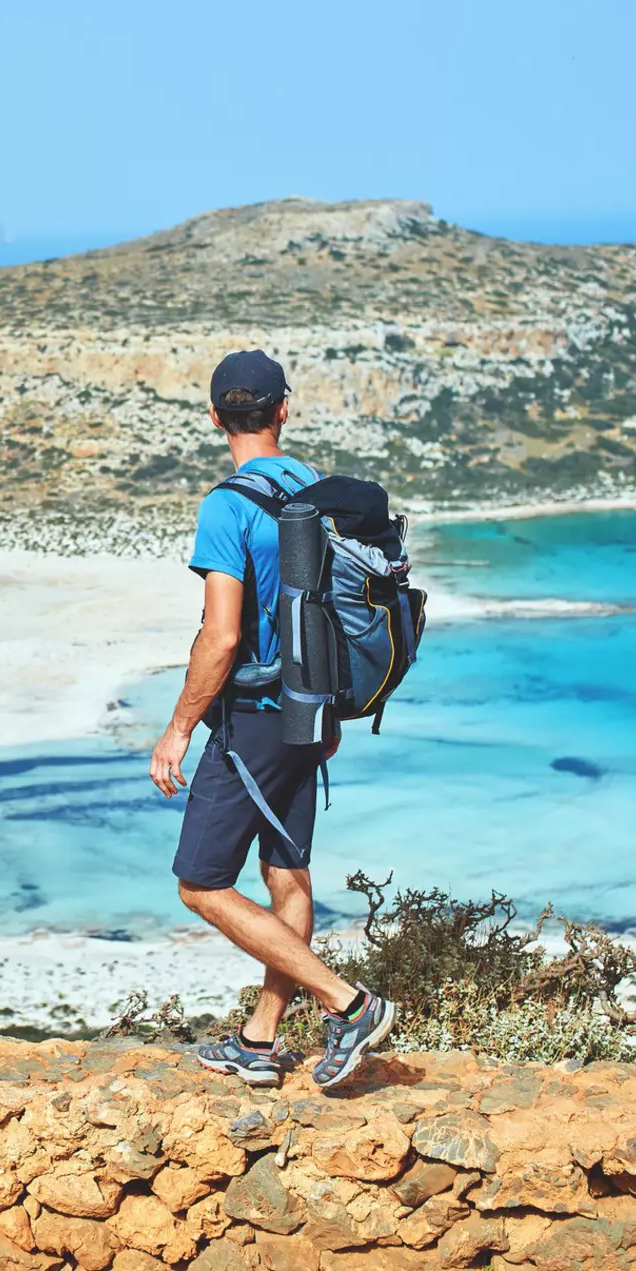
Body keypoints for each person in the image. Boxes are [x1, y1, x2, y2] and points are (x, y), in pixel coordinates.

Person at [148, 349, 394, 1089]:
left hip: (254, 717)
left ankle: (346, 1003)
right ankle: (258, 1040)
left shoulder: (225, 505)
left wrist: (178, 728)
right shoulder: (312, 485)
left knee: (200, 884)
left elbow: (221, 635)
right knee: (285, 871)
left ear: (215, 417)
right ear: (282, 410)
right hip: (313, 712)